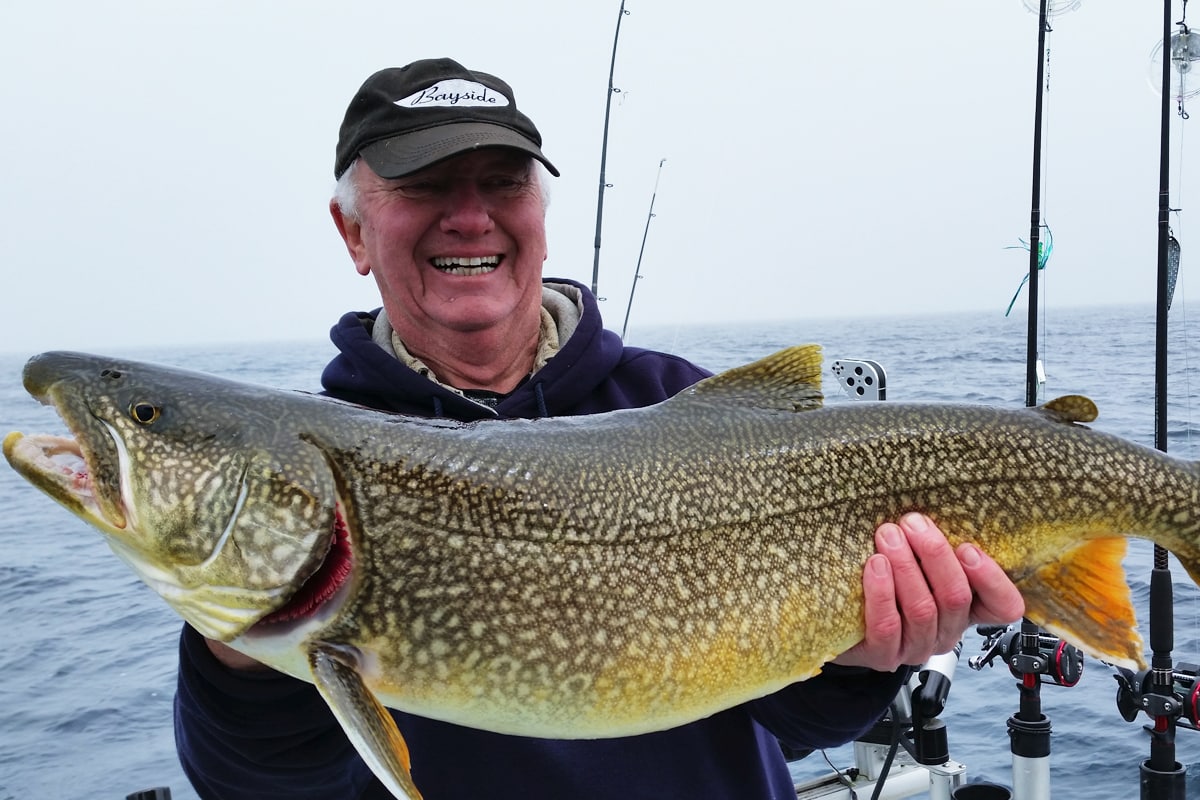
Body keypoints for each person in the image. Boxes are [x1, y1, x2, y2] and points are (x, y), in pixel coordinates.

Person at [174, 57, 1025, 799]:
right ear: (352, 229)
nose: (469, 216)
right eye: (425, 185)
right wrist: (245, 658)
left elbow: (793, 727)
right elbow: (261, 786)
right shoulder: (309, 466)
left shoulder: (679, 408)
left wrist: (865, 659)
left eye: (503, 183)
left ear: (540, 215)